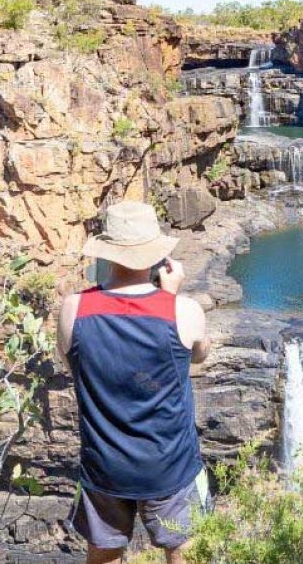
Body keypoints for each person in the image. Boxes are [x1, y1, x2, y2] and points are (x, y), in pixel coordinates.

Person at [56, 201, 212, 563]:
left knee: (104, 551)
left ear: (106, 254)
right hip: (171, 464)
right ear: (157, 255)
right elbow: (198, 354)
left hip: (104, 465)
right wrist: (168, 296)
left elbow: (69, 362)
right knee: (186, 549)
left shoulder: (74, 308)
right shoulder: (183, 311)